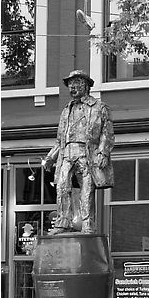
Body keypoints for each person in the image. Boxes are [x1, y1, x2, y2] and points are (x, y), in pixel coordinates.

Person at [43, 70, 114, 234]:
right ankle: (62, 223)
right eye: (70, 85)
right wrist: (50, 157)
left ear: (86, 85)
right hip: (67, 154)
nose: (72, 88)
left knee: (87, 191)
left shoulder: (100, 108)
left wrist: (103, 153)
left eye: (76, 84)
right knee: (61, 187)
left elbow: (107, 133)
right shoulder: (66, 110)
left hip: (87, 153)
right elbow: (59, 139)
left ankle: (88, 225)